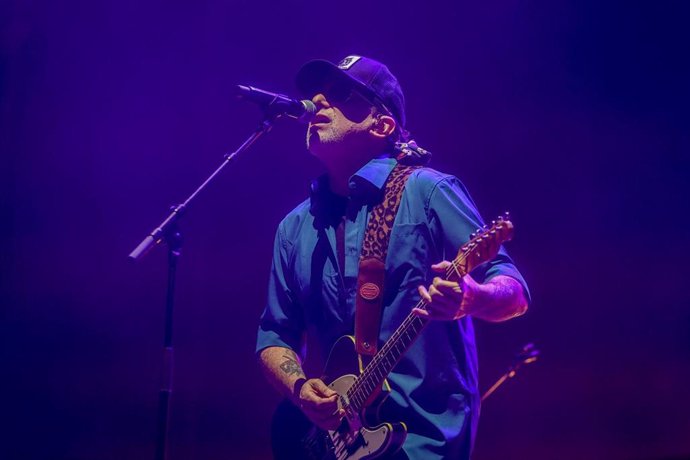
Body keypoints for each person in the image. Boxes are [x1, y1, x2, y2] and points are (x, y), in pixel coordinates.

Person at [256, 55, 530, 459]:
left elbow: (515, 292)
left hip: (422, 441)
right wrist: (300, 391)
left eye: (339, 94)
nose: (317, 101)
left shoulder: (429, 193)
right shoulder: (293, 228)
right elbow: (275, 336)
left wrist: (472, 298)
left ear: (382, 125)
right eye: (316, 93)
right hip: (338, 445)